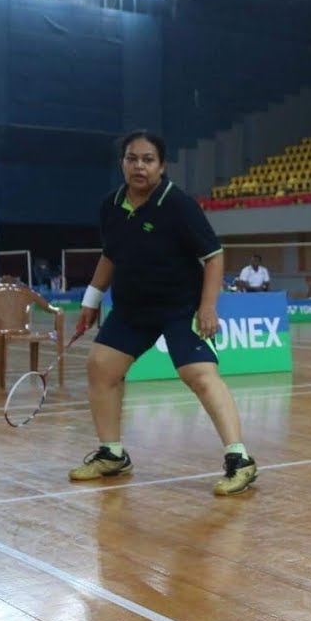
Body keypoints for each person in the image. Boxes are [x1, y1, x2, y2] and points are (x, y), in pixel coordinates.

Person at [69, 129, 258, 496]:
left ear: (161, 165)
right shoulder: (111, 204)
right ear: (122, 163)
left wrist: (207, 307)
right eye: (132, 159)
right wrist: (92, 300)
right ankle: (112, 454)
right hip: (131, 309)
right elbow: (111, 254)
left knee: (199, 374)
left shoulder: (179, 205)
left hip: (178, 307)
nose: (139, 166)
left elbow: (214, 256)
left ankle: (240, 459)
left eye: (148, 159)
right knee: (100, 366)